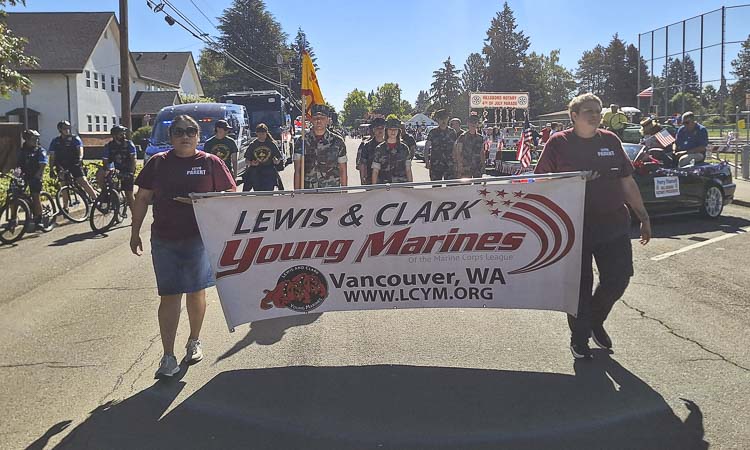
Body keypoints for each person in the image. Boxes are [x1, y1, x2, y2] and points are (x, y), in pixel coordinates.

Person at [534, 92, 651, 361]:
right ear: (573, 116)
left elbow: (627, 182)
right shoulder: (558, 143)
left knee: (618, 279)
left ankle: (594, 321)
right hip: (574, 227)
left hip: (614, 224)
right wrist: (571, 180)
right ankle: (579, 338)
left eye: (598, 110)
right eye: (589, 111)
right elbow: (540, 182)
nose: (596, 115)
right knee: (580, 285)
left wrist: (643, 216)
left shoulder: (611, 140)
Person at [130, 114, 236, 379]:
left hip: (200, 239)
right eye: (179, 131)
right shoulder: (157, 163)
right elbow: (142, 198)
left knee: (196, 292)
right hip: (164, 239)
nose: (185, 136)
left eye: (191, 131)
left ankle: (194, 340)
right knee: (169, 295)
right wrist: (134, 232)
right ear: (171, 137)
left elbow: (232, 197)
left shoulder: (212, 163)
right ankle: (167, 356)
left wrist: (205, 203)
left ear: (199, 136)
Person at [293, 104, 347, 189]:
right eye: (315, 118)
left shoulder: (338, 142)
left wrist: (344, 192)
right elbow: (297, 170)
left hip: (331, 191)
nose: (318, 121)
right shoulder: (301, 141)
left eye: (322, 118)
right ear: (311, 120)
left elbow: (343, 170)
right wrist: (296, 193)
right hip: (309, 192)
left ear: (327, 120)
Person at [48, 120, 97, 200]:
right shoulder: (55, 141)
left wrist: (80, 158)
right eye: (64, 128)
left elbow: (80, 149)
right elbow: (52, 156)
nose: (67, 130)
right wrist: (51, 169)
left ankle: (96, 199)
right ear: (60, 130)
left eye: (68, 128)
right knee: (63, 185)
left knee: (83, 181)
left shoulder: (75, 138)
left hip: (75, 163)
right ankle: (65, 207)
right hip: (61, 165)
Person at [97, 125, 137, 217]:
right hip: (116, 170)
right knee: (103, 176)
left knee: (129, 195)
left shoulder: (129, 144)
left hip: (127, 170)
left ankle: (135, 217)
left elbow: (133, 159)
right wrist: (107, 169)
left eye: (124, 133)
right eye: (121, 134)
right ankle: (108, 198)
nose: (123, 135)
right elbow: (105, 160)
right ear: (114, 136)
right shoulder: (109, 146)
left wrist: (131, 172)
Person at [16, 129, 48, 230]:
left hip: (35, 175)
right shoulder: (22, 150)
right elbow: (17, 164)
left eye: (37, 139)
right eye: (34, 139)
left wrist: (38, 175)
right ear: (27, 140)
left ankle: (39, 219)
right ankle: (13, 219)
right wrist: (16, 174)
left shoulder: (39, 150)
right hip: (24, 175)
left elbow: (42, 164)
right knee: (15, 194)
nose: (36, 141)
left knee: (35, 196)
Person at [372, 116, 413, 184]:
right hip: (384, 187)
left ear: (398, 131)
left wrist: (411, 186)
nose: (393, 132)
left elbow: (408, 169)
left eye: (395, 129)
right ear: (386, 131)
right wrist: (374, 188)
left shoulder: (404, 148)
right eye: (390, 129)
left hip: (401, 186)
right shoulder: (379, 149)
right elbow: (375, 171)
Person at [243, 123, 282, 192]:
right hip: (256, 173)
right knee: (258, 193)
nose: (261, 135)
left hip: (269, 172)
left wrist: (276, 161)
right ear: (256, 133)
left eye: (263, 133)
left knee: (269, 193)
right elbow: (246, 160)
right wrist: (251, 163)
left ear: (266, 133)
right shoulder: (253, 145)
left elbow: (279, 157)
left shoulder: (271, 144)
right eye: (259, 133)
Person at [425, 109, 457, 181]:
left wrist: (456, 162)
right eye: (441, 119)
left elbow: (456, 148)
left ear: (448, 119)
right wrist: (427, 162)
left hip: (449, 164)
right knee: (436, 187)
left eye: (445, 118)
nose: (443, 121)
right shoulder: (433, 132)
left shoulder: (452, 132)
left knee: (449, 187)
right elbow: (427, 148)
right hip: (436, 164)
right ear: (437, 120)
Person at [454, 113, 485, 178]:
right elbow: (458, 152)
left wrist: (483, 165)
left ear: (477, 124)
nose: (473, 124)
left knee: (478, 186)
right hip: (466, 167)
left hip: (477, 166)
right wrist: (459, 165)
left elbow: (482, 152)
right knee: (467, 186)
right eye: (471, 122)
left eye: (475, 122)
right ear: (468, 124)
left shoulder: (480, 138)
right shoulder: (462, 137)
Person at [356, 117, 385, 185]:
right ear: (373, 130)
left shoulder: (389, 144)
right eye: (378, 128)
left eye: (382, 128)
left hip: (387, 181)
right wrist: (362, 178)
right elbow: (362, 164)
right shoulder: (367, 146)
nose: (380, 130)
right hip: (371, 180)